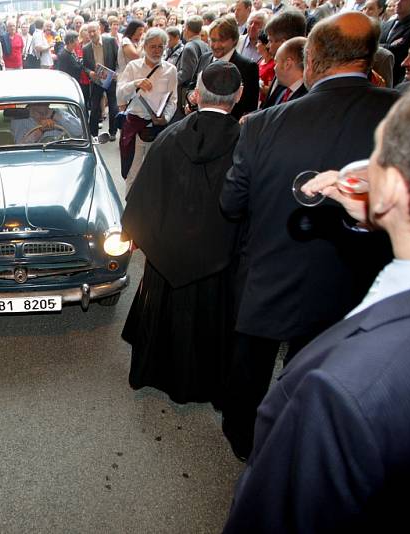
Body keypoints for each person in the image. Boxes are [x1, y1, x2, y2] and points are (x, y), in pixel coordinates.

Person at [224, 88, 410, 534]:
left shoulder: (344, 387)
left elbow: (289, 510)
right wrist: (367, 218)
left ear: (390, 186)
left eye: (377, 157)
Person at [219, 12, 400, 461]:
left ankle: (246, 445)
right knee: (326, 371)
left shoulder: (264, 125)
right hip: (356, 284)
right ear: (370, 56)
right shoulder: (400, 115)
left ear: (312, 58)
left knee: (249, 374)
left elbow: (231, 203)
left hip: (271, 275)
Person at [122, 62, 243, 407]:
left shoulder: (169, 138)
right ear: (239, 95)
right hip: (220, 263)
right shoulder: (249, 142)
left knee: (165, 321)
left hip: (167, 261)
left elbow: (140, 204)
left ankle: (154, 372)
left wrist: (156, 245)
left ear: (195, 93)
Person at [116, 28, 178, 185]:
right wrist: (135, 83)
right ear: (144, 46)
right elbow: (120, 95)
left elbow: (173, 100)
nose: (157, 51)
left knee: (155, 174)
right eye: (153, 46)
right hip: (134, 127)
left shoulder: (171, 70)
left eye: (160, 46)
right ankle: (130, 208)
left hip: (157, 129)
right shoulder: (133, 67)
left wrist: (165, 118)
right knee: (132, 174)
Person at [195, 18, 260, 120]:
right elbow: (191, 86)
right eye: (213, 40)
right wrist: (191, 98)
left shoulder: (248, 67)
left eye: (222, 40)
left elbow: (250, 107)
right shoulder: (204, 58)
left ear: (234, 40)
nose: (216, 45)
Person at [83, 22, 119, 141]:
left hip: (110, 78)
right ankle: (93, 134)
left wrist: (116, 73)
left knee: (113, 106)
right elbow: (85, 66)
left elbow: (118, 59)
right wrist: (90, 73)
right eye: (90, 32)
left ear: (99, 29)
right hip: (96, 80)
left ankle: (113, 132)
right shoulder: (86, 48)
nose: (92, 34)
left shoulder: (111, 41)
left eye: (94, 31)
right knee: (94, 108)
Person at [175, 16, 210, 121]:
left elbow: (186, 74)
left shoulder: (189, 47)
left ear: (187, 29)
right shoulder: (205, 45)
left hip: (188, 93)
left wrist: (170, 79)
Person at [262, 36, 308, 108]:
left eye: (276, 62)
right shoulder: (282, 87)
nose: (274, 68)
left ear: (287, 64)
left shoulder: (306, 99)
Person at [10, 102, 84, 143]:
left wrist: (53, 114)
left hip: (60, 156)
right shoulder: (19, 120)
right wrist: (40, 130)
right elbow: (21, 146)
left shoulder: (58, 113)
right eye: (37, 100)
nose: (42, 103)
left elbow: (80, 130)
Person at [381, 0, 410, 84]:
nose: (398, 2)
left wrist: (377, 46)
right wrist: (388, 46)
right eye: (396, 0)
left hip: (399, 77)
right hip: (379, 73)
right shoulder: (386, 24)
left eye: (403, 0)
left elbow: (398, 50)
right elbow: (371, 45)